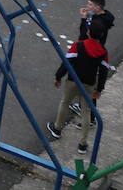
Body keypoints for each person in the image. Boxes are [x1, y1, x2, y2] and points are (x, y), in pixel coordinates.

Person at [47, 21, 114, 154]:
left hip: (73, 81)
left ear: (88, 32)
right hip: (89, 84)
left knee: (65, 102)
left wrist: (58, 77)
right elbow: (103, 72)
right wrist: (99, 89)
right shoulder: (103, 51)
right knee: (86, 112)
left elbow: (67, 62)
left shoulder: (78, 45)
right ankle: (82, 144)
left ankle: (57, 129)